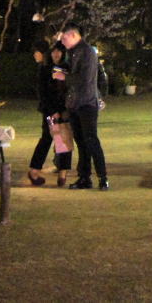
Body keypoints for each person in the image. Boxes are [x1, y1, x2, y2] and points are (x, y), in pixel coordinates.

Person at [59, 26, 109, 190]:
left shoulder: (87, 52)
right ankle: (84, 177)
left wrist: (63, 77)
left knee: (91, 139)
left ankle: (102, 177)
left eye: (64, 38)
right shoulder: (74, 52)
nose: (62, 41)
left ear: (73, 35)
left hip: (86, 102)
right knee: (81, 141)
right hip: (75, 102)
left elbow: (84, 78)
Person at [28, 44, 72, 187]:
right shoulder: (46, 69)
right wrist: (53, 110)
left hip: (63, 110)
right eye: (53, 51)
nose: (56, 54)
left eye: (59, 51)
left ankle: (62, 172)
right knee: (49, 138)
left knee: (62, 139)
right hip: (51, 110)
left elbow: (68, 90)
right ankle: (36, 170)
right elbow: (43, 92)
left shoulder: (66, 69)